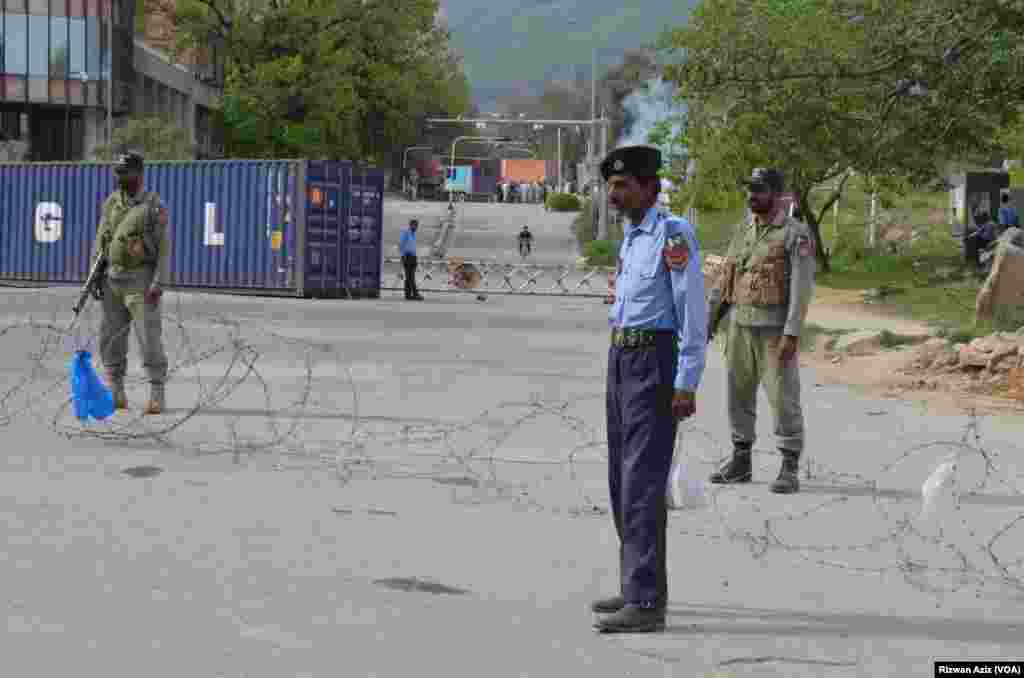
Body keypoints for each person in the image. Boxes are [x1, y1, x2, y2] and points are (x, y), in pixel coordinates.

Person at [591, 145, 708, 634]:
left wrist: (686, 380)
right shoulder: (631, 237)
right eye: (611, 186)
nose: (613, 194)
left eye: (622, 186)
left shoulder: (671, 234)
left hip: (653, 362)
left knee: (642, 483)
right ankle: (635, 582)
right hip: (622, 358)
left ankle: (646, 602)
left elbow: (692, 313)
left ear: (648, 186)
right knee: (622, 480)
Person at [706, 168, 816, 495]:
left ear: (777, 194)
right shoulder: (743, 231)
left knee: (783, 397)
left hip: (773, 331)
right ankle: (741, 460)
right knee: (737, 395)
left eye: (759, 190)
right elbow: (727, 279)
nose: (752, 195)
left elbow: (801, 288)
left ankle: (789, 465)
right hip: (740, 327)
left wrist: (792, 334)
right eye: (749, 189)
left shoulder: (794, 234)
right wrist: (709, 321)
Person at [92, 151, 170, 415]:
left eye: (125, 173)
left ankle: (157, 392)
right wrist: (93, 276)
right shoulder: (111, 203)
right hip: (111, 278)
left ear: (139, 174)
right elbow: (101, 239)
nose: (120, 177)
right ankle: (116, 391)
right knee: (111, 337)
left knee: (148, 336)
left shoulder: (153, 205)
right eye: (118, 173)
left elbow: (163, 247)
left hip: (140, 280)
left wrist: (159, 282)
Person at [399, 218, 423, 301]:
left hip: (413, 257)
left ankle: (408, 295)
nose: (416, 227)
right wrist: (402, 256)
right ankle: (415, 294)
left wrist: (415, 257)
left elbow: (412, 246)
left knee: (409, 277)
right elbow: (401, 245)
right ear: (410, 225)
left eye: (417, 226)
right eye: (414, 225)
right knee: (410, 277)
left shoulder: (414, 234)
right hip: (407, 257)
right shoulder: (405, 233)